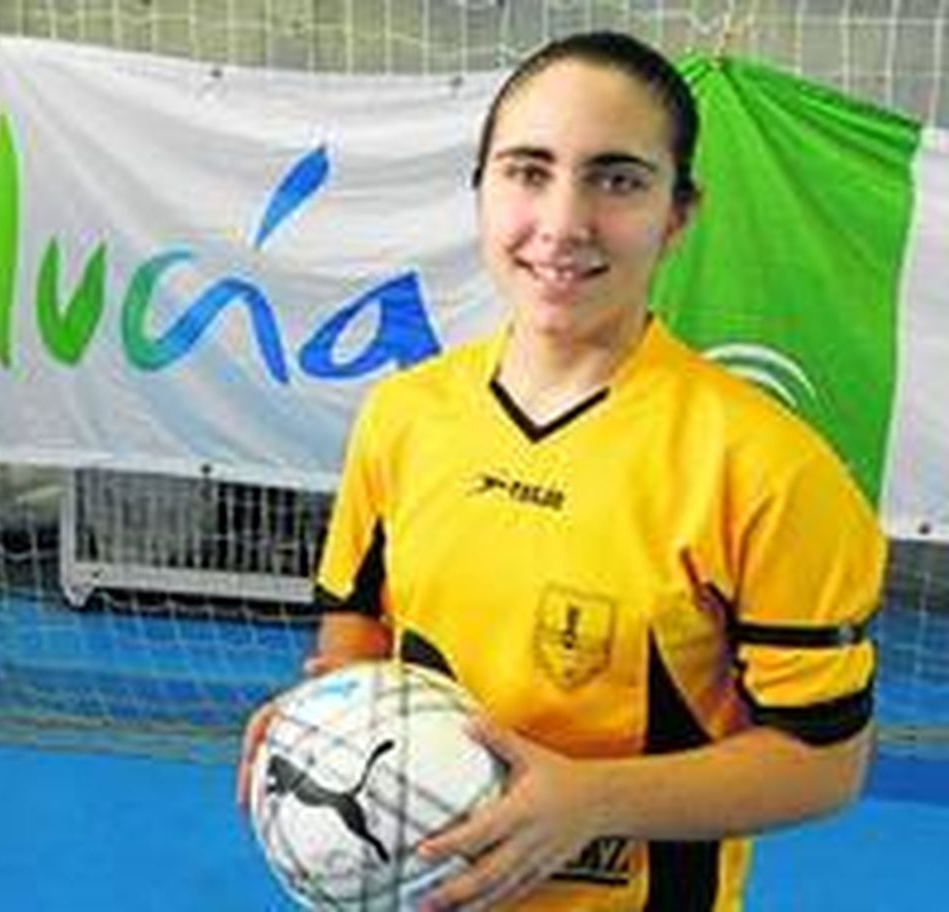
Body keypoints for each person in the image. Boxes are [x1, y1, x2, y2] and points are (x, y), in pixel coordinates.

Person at [237, 30, 884, 912]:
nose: (564, 223)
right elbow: (358, 623)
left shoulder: (769, 470)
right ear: (481, 190)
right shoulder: (405, 417)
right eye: (528, 171)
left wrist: (590, 801)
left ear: (678, 214)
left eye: (617, 179)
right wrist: (326, 726)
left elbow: (826, 764)